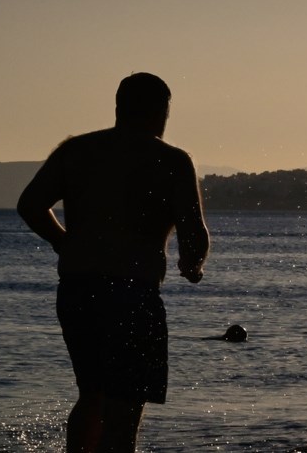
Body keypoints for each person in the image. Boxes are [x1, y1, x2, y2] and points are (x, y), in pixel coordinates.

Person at [17, 72, 210, 453]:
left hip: (78, 289)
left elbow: (30, 205)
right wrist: (192, 264)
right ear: (162, 111)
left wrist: (63, 243)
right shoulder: (170, 161)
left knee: (91, 394)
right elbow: (193, 232)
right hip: (132, 292)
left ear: (119, 107)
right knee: (125, 405)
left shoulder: (76, 151)